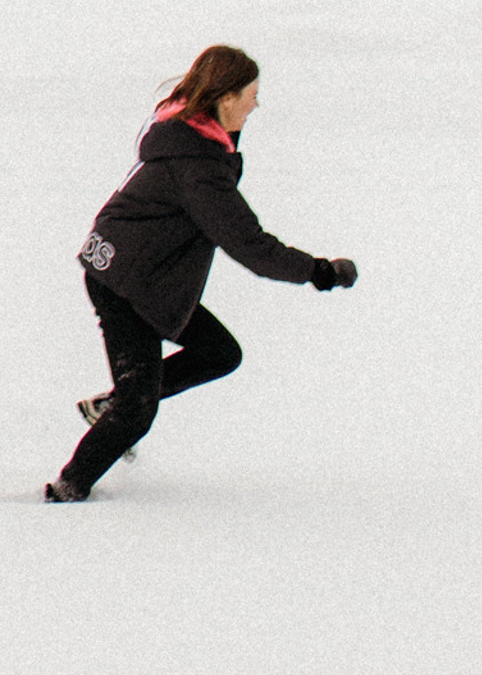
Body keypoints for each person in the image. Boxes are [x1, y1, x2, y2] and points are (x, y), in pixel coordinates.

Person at [45, 44, 355, 502]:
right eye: (251, 94)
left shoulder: (189, 136)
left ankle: (112, 405)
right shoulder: (198, 166)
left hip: (144, 276)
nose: (256, 105)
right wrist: (319, 271)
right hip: (128, 283)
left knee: (218, 353)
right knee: (138, 407)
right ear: (225, 98)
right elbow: (248, 243)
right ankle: (67, 490)